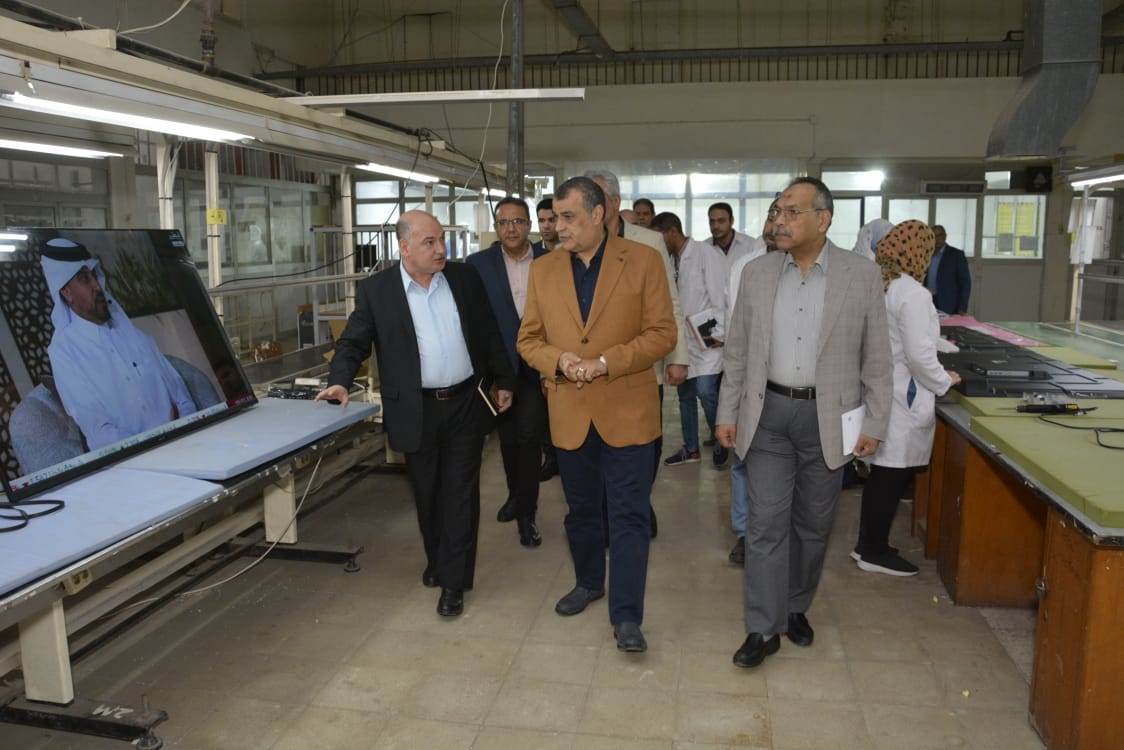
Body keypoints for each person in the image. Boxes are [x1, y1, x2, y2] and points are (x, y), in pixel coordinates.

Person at [716, 177, 891, 669]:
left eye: (792, 212)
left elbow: (877, 358)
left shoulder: (860, 275)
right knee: (765, 524)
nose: (780, 221)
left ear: (823, 219)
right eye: (777, 211)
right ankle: (762, 625)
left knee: (813, 525)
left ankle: (795, 606)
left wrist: (875, 422)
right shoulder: (757, 273)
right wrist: (727, 411)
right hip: (767, 415)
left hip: (828, 418)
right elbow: (737, 351)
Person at [317, 210, 515, 618]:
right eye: (430, 242)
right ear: (405, 248)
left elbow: (488, 332)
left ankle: (454, 583)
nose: (441, 249)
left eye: (441, 239)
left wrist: (504, 380)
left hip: (465, 403)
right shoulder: (378, 291)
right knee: (427, 493)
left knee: (460, 494)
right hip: (415, 408)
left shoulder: (463, 278)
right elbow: (353, 342)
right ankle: (438, 558)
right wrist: (339, 381)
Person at [517, 176, 676, 653]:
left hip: (627, 409)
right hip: (570, 412)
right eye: (555, 218)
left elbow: (662, 333)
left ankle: (626, 616)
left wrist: (607, 362)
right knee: (582, 510)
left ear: (598, 214)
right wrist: (558, 361)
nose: (558, 227)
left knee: (628, 515)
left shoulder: (643, 260)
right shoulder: (543, 269)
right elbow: (529, 339)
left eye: (568, 217)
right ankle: (589, 582)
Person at [584, 168, 690, 539]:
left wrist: (678, 356)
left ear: (614, 203)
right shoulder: (577, 241)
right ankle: (608, 511)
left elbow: (670, 301)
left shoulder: (649, 241)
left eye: (597, 198)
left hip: (643, 362)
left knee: (646, 442)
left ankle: (637, 502)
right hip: (591, 366)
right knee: (596, 442)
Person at [854, 220, 960, 576]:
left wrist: (940, 343)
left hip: (881, 389)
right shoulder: (913, 292)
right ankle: (873, 551)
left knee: (881, 473)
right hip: (903, 394)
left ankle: (868, 544)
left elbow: (902, 336)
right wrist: (945, 380)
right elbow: (917, 354)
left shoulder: (880, 282)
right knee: (890, 475)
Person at [41, 237, 198, 451]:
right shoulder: (64, 352)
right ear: (66, 293)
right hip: (135, 459)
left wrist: (187, 431)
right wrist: (154, 450)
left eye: (95, 275)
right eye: (84, 279)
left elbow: (179, 391)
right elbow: (101, 433)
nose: (97, 286)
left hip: (184, 441)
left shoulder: (127, 329)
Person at [467, 198, 548, 547]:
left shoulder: (550, 260)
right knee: (509, 438)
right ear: (496, 228)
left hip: (536, 366)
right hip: (498, 368)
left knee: (529, 437)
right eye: (503, 222)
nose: (511, 228)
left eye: (517, 221)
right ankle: (516, 494)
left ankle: (527, 513)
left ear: (529, 224)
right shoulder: (477, 265)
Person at [650, 211, 727, 469]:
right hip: (684, 342)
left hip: (709, 339)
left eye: (660, 237)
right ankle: (691, 448)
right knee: (685, 396)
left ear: (672, 232)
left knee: (706, 391)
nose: (658, 243)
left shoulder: (706, 254)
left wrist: (720, 334)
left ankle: (722, 438)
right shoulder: (670, 259)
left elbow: (720, 296)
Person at [723, 202, 775, 565]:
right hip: (748, 380)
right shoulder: (745, 267)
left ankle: (776, 533)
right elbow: (733, 329)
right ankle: (744, 533)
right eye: (774, 215)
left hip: (794, 387)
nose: (778, 223)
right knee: (743, 459)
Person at [534, 197, 561, 481]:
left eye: (551, 219)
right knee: (542, 411)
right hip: (538, 346)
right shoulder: (534, 257)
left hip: (564, 348)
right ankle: (550, 456)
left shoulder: (572, 254)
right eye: (541, 220)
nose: (547, 225)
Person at [926, 225, 972, 314]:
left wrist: (962, 307)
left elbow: (965, 283)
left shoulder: (956, 255)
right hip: (928, 301)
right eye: (933, 236)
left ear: (945, 236)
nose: (937, 239)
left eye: (940, 235)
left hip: (948, 304)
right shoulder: (926, 254)